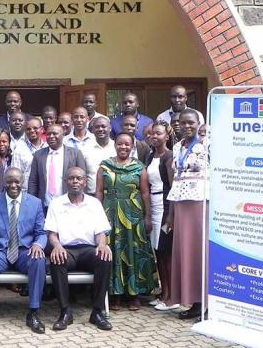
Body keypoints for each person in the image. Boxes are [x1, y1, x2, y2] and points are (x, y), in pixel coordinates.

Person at [0, 168, 47, 334]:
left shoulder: (35, 203)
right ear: (3, 183)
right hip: (0, 251)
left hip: (25, 252)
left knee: (39, 260)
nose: (13, 185)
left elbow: (41, 233)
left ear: (23, 182)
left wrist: (38, 245)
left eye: (17, 181)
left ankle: (33, 312)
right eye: (9, 181)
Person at [96, 132, 158, 311]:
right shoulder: (105, 166)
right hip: (110, 213)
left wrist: (147, 217)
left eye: (127, 144)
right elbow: (99, 192)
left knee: (133, 251)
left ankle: (134, 294)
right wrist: (97, 217)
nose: (123, 147)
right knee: (113, 250)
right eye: (120, 144)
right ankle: (115, 295)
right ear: (115, 145)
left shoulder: (139, 167)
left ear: (132, 147)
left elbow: (145, 193)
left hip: (133, 215)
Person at [46, 167, 112, 331]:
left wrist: (102, 245)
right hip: (67, 250)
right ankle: (65, 311)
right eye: (71, 178)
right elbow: (52, 233)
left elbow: (100, 232)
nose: (75, 181)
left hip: (88, 250)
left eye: (79, 178)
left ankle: (97, 311)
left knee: (104, 258)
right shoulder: (56, 203)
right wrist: (57, 246)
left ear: (85, 182)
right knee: (56, 259)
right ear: (65, 181)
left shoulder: (94, 203)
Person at [165, 109, 208, 320]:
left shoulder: (206, 144)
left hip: (200, 202)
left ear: (199, 123)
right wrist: (171, 213)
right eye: (183, 123)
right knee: (185, 252)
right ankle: (193, 300)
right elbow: (176, 179)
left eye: (191, 122)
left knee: (200, 252)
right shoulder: (176, 147)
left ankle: (207, 302)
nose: (187, 126)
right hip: (181, 204)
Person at [146, 121, 177, 312]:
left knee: (166, 252)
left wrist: (171, 216)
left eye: (158, 134)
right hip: (154, 205)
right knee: (158, 251)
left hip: (166, 207)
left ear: (167, 136)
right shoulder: (150, 156)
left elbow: (173, 187)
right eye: (152, 134)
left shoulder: (169, 156)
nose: (154, 137)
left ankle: (172, 296)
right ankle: (163, 292)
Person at [28, 124, 85, 212]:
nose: (51, 136)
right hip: (44, 206)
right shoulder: (38, 155)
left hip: (69, 204)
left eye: (55, 134)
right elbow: (33, 181)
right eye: (48, 134)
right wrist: (32, 204)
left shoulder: (75, 154)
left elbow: (82, 180)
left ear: (63, 135)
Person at [81, 116, 114, 195]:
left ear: (110, 128)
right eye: (97, 127)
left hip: (113, 196)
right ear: (92, 130)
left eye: (103, 126)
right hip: (91, 195)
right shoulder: (84, 149)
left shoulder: (117, 147)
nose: (100, 129)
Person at [12, 118, 47, 190]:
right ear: (25, 131)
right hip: (26, 191)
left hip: (45, 191)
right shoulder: (19, 150)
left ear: (42, 129)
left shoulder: (47, 147)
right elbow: (15, 174)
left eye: (35, 128)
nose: (32, 131)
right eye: (28, 129)